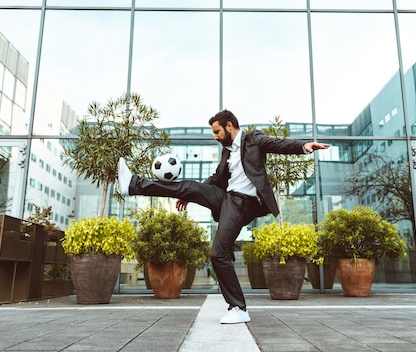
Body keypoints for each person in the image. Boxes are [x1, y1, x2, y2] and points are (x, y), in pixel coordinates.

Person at [117, 109, 329, 324]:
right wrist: (190, 195)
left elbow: (277, 144)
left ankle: (238, 308)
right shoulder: (227, 152)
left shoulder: (253, 140)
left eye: (217, 131)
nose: (215, 136)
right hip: (227, 199)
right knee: (189, 186)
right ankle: (132, 184)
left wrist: (303, 147)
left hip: (243, 204)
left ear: (229, 126)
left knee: (218, 255)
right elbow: (218, 178)